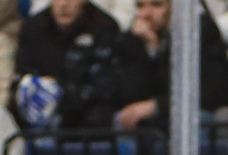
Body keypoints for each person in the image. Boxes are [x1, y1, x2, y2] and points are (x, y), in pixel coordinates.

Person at [12, 0, 146, 129]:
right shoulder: (33, 27)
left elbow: (107, 85)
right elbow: (24, 72)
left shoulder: (105, 26)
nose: (64, 4)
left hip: (89, 117)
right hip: (41, 113)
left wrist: (65, 98)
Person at [115, 0, 228, 129]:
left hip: (191, 110)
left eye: (156, 5)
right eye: (140, 6)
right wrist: (149, 51)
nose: (146, 14)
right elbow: (130, 96)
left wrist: (157, 106)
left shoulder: (199, 30)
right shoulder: (133, 38)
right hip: (150, 118)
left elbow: (213, 92)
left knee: (191, 120)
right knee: (123, 119)